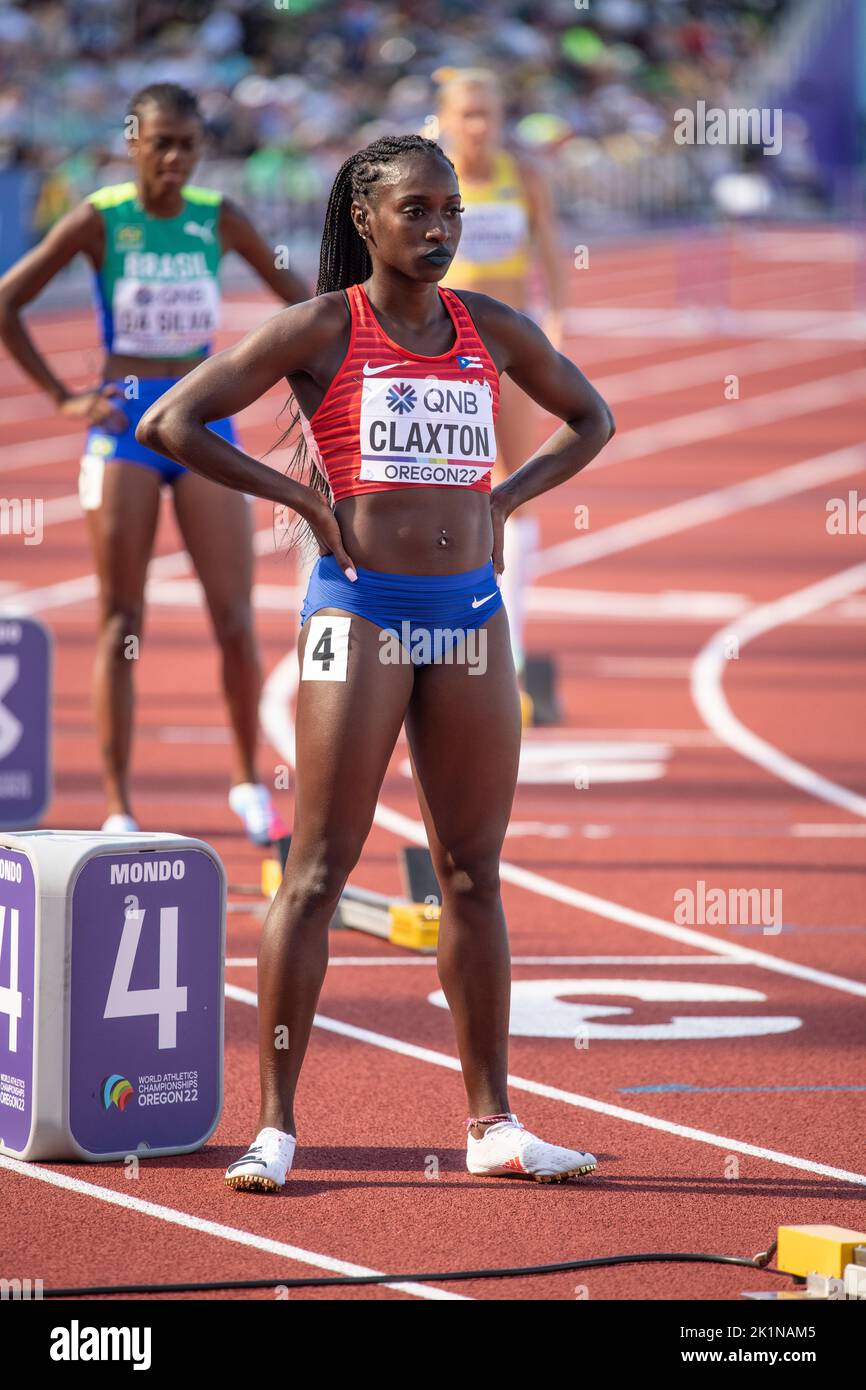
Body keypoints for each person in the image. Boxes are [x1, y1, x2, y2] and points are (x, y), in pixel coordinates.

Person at [136, 133, 615, 1191]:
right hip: (359, 613)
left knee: (469, 875)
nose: (440, 230)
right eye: (416, 212)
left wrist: (501, 500)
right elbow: (173, 420)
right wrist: (307, 500)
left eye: (450, 212)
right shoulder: (320, 327)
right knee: (315, 873)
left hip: (470, 615)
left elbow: (591, 417)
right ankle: (275, 1126)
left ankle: (491, 1121)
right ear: (365, 218)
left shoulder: (488, 327)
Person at [0, 82, 309, 842]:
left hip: (202, 428)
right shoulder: (103, 220)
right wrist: (64, 397)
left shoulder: (218, 218)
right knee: (120, 619)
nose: (174, 158)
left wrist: (292, 376)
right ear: (132, 140)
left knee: (234, 618)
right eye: (161, 142)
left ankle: (245, 783)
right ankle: (118, 805)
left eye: (189, 145)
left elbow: (305, 306)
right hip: (124, 432)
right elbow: (7, 300)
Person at [435, 68, 568, 723]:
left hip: (506, 353)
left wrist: (560, 327)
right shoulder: (432, 180)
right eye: (468, 115)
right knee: (437, 487)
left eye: (490, 113)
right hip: (440, 355)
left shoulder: (524, 177)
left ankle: (507, 645)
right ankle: (435, 632)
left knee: (510, 490)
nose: (480, 127)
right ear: (446, 117)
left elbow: (550, 250)